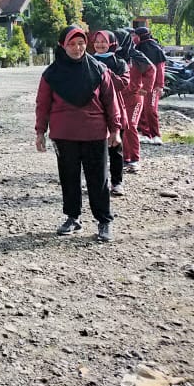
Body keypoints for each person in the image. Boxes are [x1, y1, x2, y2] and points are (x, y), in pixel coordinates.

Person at [35, 25, 121, 243]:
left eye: (81, 43)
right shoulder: (51, 74)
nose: (77, 48)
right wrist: (40, 132)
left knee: (98, 180)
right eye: (71, 44)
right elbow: (42, 105)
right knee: (69, 178)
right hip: (64, 135)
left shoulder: (99, 70)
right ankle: (72, 218)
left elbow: (111, 102)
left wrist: (115, 130)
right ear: (62, 46)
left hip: (95, 134)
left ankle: (104, 221)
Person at [91, 30, 130, 197]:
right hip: (93, 110)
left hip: (114, 109)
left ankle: (117, 182)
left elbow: (123, 84)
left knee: (115, 149)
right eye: (97, 41)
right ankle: (96, 183)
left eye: (103, 41)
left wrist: (106, 72)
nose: (99, 45)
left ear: (112, 43)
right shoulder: (88, 60)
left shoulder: (119, 63)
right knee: (93, 150)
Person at [115, 28, 154, 175]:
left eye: (118, 40)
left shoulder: (136, 56)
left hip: (134, 97)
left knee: (131, 126)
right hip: (118, 97)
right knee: (120, 127)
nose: (116, 43)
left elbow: (152, 70)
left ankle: (134, 160)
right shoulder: (113, 57)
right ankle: (125, 158)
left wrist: (146, 88)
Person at [134, 27, 167, 145]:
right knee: (141, 109)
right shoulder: (136, 49)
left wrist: (160, 85)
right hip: (140, 85)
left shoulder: (156, 50)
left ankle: (156, 134)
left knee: (151, 110)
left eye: (135, 35)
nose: (133, 38)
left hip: (153, 86)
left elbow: (160, 69)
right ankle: (146, 134)